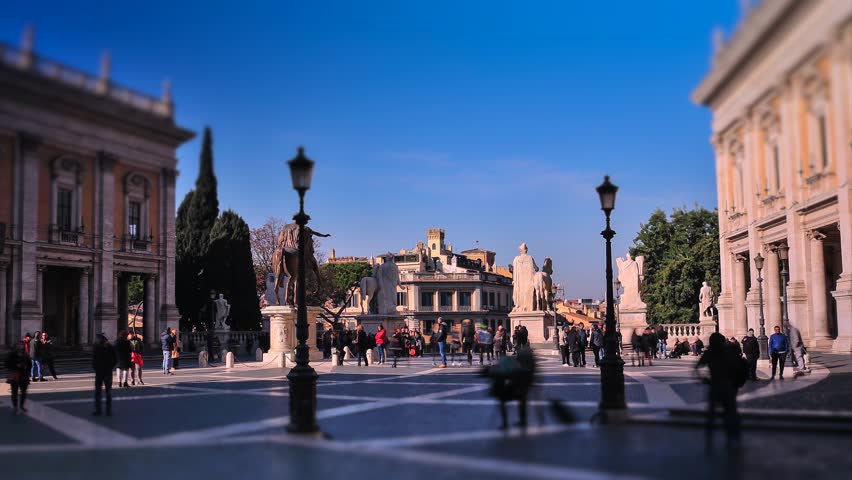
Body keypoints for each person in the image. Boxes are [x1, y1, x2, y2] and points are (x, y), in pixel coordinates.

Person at [694, 332, 743, 450]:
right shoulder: (728, 352)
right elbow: (738, 367)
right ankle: (733, 437)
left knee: (712, 413)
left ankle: (709, 437)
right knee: (730, 411)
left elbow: (697, 367)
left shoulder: (710, 353)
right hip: (727, 385)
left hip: (715, 385)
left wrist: (704, 379)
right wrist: (736, 382)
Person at [92, 333, 117, 416]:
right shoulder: (108, 347)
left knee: (99, 392)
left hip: (101, 372)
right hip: (106, 371)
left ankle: (99, 410)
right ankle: (107, 410)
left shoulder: (98, 347)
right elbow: (115, 359)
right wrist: (110, 366)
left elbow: (94, 359)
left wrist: (95, 367)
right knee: (107, 392)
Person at [5, 341, 32, 415]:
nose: (20, 346)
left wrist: (26, 368)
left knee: (24, 392)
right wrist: (16, 366)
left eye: (22, 345)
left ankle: (22, 406)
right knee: (14, 392)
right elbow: (7, 364)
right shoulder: (11, 355)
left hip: (24, 375)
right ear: (16, 346)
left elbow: (30, 364)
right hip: (14, 375)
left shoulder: (25, 355)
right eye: (19, 345)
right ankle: (15, 406)